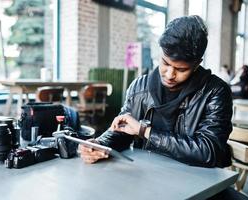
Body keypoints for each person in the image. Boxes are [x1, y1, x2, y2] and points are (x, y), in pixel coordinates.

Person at [79, 15, 233, 168]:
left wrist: (144, 131)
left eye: (181, 69)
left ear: (197, 64)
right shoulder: (139, 87)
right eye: (165, 63)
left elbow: (209, 151)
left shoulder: (215, 92)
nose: (169, 74)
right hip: (147, 176)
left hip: (198, 182)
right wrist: (99, 144)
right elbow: (121, 131)